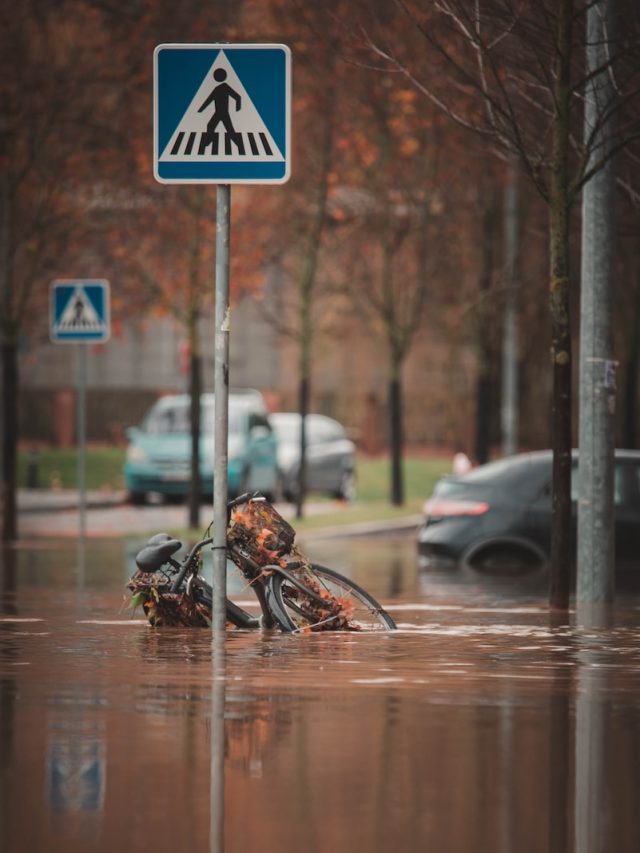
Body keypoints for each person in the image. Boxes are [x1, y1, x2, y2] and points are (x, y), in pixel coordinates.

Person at [198, 68, 241, 143]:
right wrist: (201, 109)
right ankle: (208, 141)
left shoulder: (224, 87)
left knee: (229, 130)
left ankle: (238, 143)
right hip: (218, 112)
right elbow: (209, 100)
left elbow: (237, 97)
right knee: (211, 126)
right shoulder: (218, 88)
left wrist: (237, 108)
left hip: (223, 113)